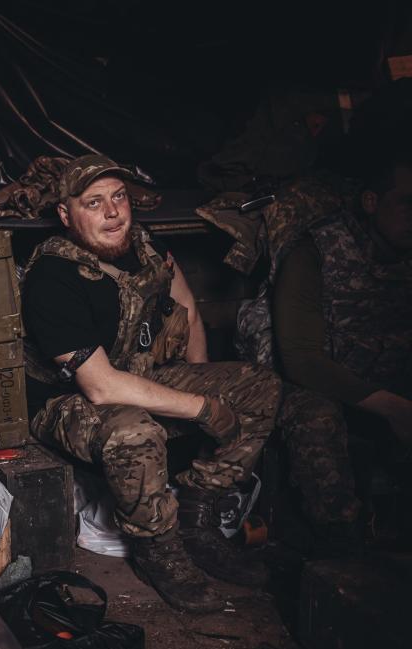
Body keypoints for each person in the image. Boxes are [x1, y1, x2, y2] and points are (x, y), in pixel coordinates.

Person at [22, 153, 281, 613]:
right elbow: (100, 387)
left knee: (258, 386)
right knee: (132, 430)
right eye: (94, 202)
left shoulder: (144, 245)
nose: (113, 212)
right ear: (66, 215)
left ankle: (197, 518)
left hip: (141, 376)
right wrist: (201, 407)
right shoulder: (52, 276)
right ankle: (159, 550)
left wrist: (199, 383)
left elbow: (188, 308)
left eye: (119, 197)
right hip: (69, 401)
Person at [272, 151, 412, 532]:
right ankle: (339, 536)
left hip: (387, 377)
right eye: (405, 202)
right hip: (320, 383)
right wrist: (394, 407)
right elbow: (301, 360)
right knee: (314, 414)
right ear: (372, 202)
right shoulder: (316, 251)